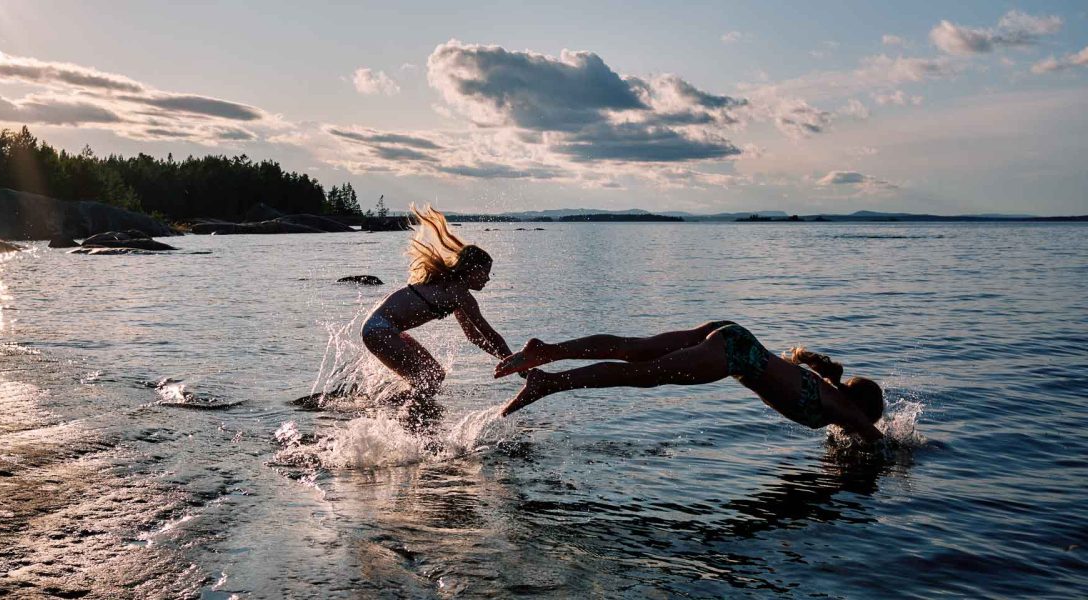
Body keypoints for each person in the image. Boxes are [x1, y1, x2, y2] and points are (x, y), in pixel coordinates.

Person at [494, 320, 885, 444]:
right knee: (641, 375)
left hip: (735, 336)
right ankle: (548, 382)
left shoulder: (831, 393)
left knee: (636, 350)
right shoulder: (841, 408)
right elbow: (881, 441)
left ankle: (547, 351)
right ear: (862, 408)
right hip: (736, 355)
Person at [361, 204, 514, 414]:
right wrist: (516, 363)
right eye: (485, 273)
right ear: (471, 270)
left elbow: (474, 337)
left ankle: (383, 407)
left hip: (383, 329)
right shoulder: (459, 294)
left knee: (435, 375)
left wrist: (505, 360)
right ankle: (390, 414)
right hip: (379, 330)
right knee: (427, 381)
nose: (488, 278)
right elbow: (490, 335)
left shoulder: (457, 294)